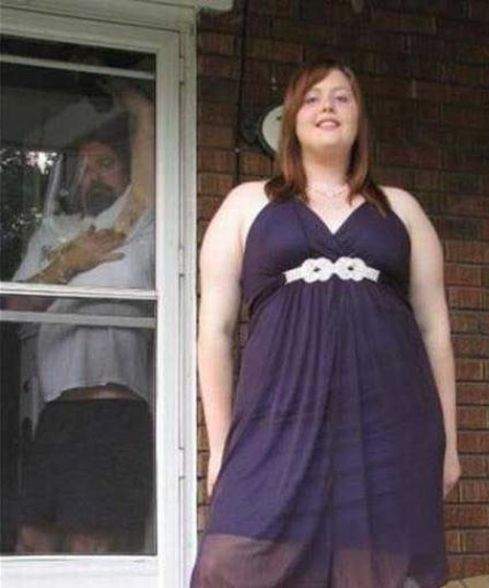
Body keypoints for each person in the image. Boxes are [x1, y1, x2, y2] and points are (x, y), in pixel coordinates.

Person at [191, 58, 460, 587]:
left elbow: (436, 331)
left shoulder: (402, 209)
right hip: (277, 419)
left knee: (373, 570)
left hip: (388, 423)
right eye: (312, 98)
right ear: (291, 119)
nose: (327, 107)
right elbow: (214, 333)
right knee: (227, 564)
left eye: (341, 97)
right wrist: (221, 446)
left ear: (359, 117)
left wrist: (448, 443)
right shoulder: (246, 203)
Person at [8, 81, 156, 554]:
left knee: (90, 546)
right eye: (84, 168)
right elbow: (12, 308)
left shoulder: (135, 224)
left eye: (106, 164)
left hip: (113, 413)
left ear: (127, 174)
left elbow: (148, 144)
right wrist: (67, 263)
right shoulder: (53, 232)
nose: (93, 176)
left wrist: (134, 101)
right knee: (32, 539)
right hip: (57, 414)